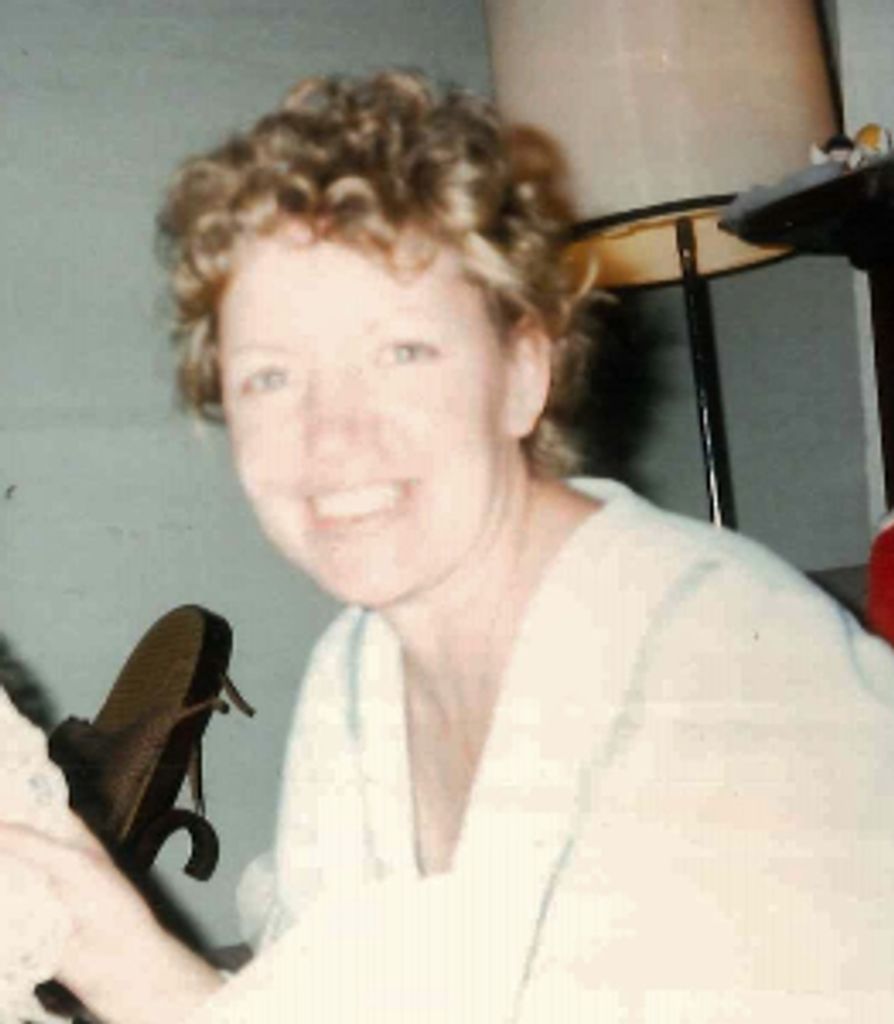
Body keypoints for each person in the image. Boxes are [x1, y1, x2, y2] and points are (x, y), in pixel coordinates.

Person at [2, 69, 894, 1023]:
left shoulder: (720, 674)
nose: (332, 433)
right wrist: (98, 934)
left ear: (524, 371)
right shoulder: (359, 672)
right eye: (270, 376)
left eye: (402, 353)